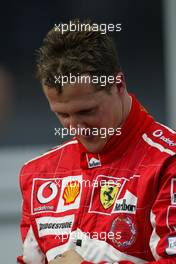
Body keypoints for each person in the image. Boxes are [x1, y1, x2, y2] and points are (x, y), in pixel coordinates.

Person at [17, 19, 176, 264]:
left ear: (118, 85)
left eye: (86, 112)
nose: (75, 127)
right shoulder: (39, 174)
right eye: (63, 114)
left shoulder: (166, 163)